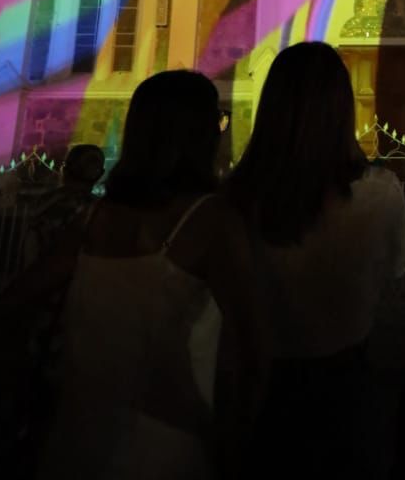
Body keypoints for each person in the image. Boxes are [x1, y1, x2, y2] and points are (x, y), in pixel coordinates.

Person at [31, 70, 268, 480]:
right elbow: (253, 351)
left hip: (78, 441)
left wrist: (36, 398)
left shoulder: (92, 219)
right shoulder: (211, 222)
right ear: (199, 136)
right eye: (218, 120)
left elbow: (0, 318)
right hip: (168, 448)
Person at [225, 41, 405, 470]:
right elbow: (399, 266)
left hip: (261, 392)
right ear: (343, 109)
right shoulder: (380, 193)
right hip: (349, 389)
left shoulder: (236, 201)